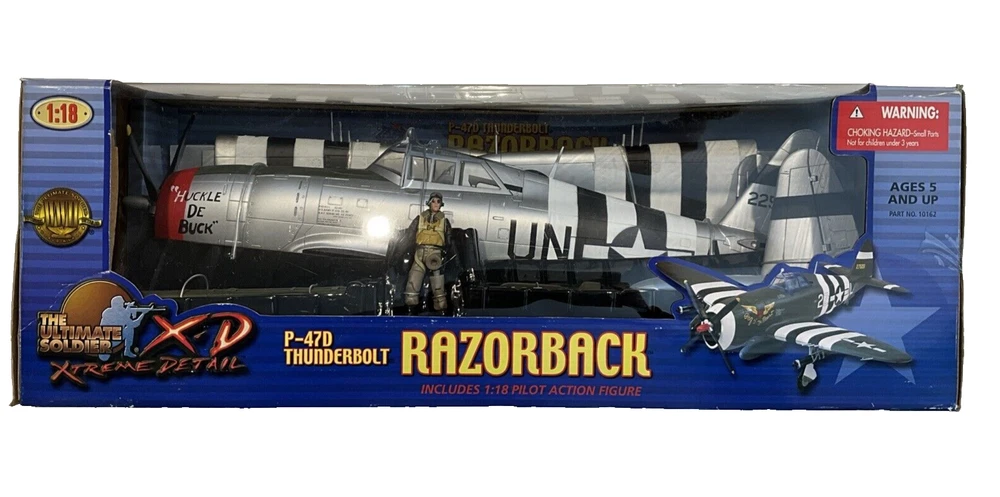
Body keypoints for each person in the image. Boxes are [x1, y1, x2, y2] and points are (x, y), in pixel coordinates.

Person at [404, 192, 452, 315]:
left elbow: (449, 239)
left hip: (436, 254)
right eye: (433, 201)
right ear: (429, 203)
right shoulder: (419, 219)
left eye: (438, 201)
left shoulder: (444, 221)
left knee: (438, 286)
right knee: (413, 283)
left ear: (441, 204)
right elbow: (410, 235)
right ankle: (410, 310)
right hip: (419, 253)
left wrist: (446, 254)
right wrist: (406, 251)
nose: (436, 204)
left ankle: (441, 310)